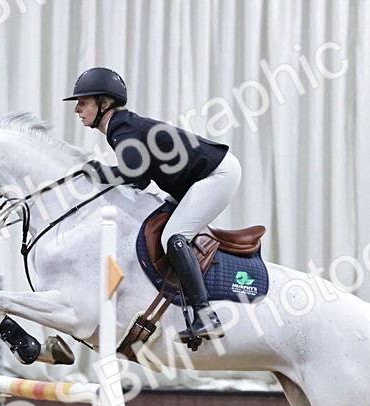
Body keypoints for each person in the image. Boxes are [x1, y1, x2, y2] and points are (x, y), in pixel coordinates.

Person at [64, 67, 241, 342]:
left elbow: (133, 175)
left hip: (217, 174)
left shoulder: (122, 128)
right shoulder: (123, 127)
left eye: (83, 102)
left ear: (104, 103)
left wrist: (98, 173)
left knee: (173, 236)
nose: (77, 109)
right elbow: (142, 180)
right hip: (200, 178)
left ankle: (207, 315)